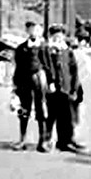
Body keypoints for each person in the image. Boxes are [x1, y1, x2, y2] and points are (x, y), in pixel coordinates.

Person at [12, 20, 51, 152]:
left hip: (39, 78)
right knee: (24, 109)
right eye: (31, 29)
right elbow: (18, 67)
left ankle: (43, 141)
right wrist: (15, 85)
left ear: (40, 31)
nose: (33, 32)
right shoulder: (21, 48)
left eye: (36, 29)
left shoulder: (44, 47)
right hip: (24, 80)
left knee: (42, 109)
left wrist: (51, 82)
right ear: (27, 31)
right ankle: (22, 140)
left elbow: (48, 65)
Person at [46, 24, 85, 152]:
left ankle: (66, 141)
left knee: (67, 116)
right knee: (50, 115)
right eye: (55, 35)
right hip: (52, 89)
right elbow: (45, 68)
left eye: (61, 35)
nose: (58, 38)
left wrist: (75, 88)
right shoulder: (48, 51)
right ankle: (47, 140)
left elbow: (74, 70)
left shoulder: (67, 51)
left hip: (66, 88)